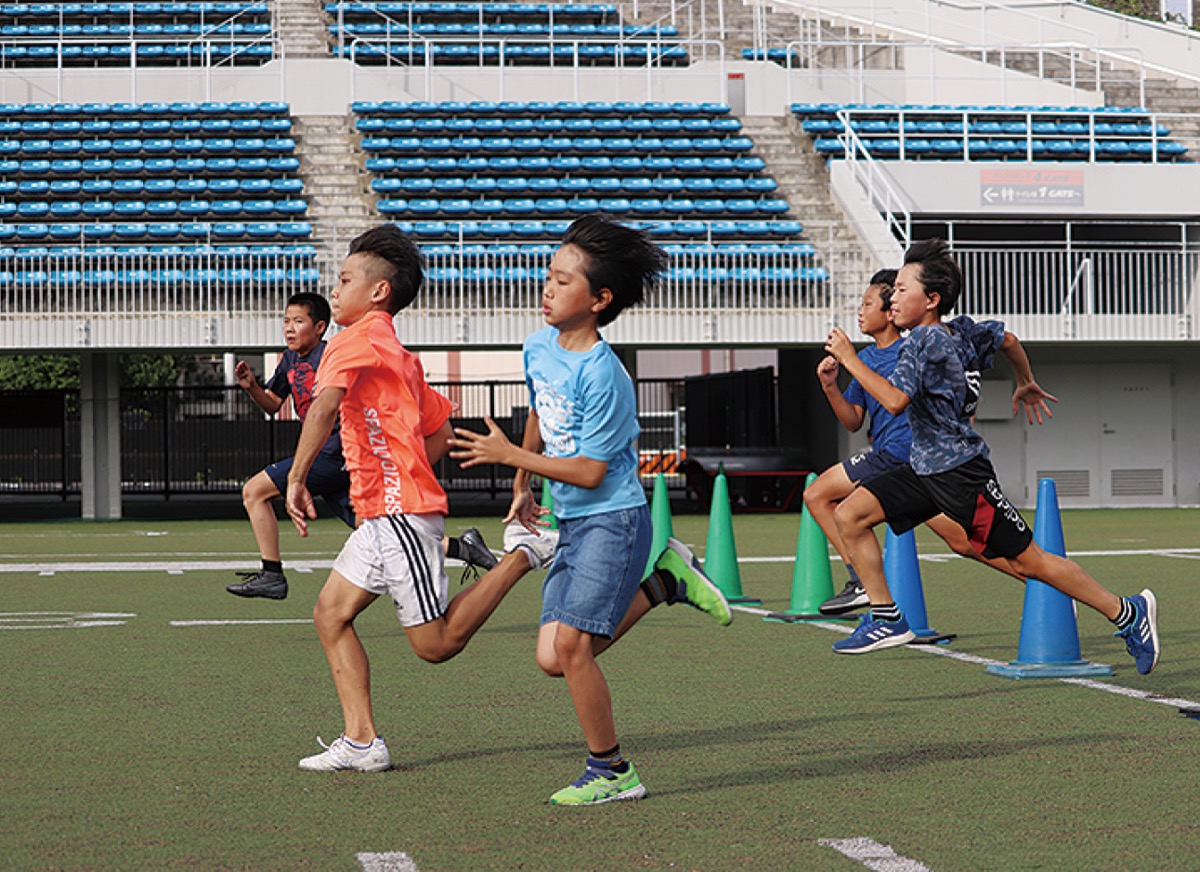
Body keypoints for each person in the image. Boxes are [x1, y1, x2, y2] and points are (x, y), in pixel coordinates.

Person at [448, 216, 733, 806]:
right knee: (551, 657)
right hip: (572, 520)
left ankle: (612, 771)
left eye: (562, 281)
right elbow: (541, 409)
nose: (547, 289)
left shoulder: (605, 375)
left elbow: (591, 472)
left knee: (573, 649)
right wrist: (522, 482)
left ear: (599, 300)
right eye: (548, 276)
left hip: (615, 519)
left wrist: (509, 455)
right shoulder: (538, 345)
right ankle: (667, 582)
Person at [822, 238, 1159, 675]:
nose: (894, 300)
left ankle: (1128, 612)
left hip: (961, 476)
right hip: (923, 470)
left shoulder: (921, 341)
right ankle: (887, 618)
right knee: (850, 515)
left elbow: (893, 400)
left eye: (902, 290)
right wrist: (1025, 379)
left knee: (1029, 561)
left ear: (932, 299)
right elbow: (1009, 340)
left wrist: (850, 359)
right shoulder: (962, 330)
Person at [282, 224, 543, 773]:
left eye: (345, 280)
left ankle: (523, 554)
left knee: (435, 644)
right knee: (330, 614)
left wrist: (297, 478)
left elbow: (323, 407)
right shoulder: (396, 352)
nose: (335, 289)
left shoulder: (350, 340)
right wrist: (397, 466)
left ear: (379, 291)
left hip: (398, 513)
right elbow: (440, 432)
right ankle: (361, 742)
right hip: (383, 513)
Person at [229, 291, 495, 601]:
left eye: (298, 321)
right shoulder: (289, 360)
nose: (289, 328)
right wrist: (252, 388)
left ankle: (272, 574)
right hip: (332, 456)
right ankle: (463, 547)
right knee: (373, 529)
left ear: (319, 327)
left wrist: (428, 405)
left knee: (254, 491)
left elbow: (352, 395)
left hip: (336, 451)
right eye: (286, 321)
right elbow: (273, 404)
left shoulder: (333, 353)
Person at [812, 271, 1028, 617]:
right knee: (963, 542)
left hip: (902, 455)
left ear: (889, 313)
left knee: (818, 495)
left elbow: (904, 399)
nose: (860, 311)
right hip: (917, 467)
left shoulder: (915, 346)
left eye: (867, 304)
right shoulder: (866, 360)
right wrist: (830, 387)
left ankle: (861, 582)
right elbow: (853, 421)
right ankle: (1042, 587)